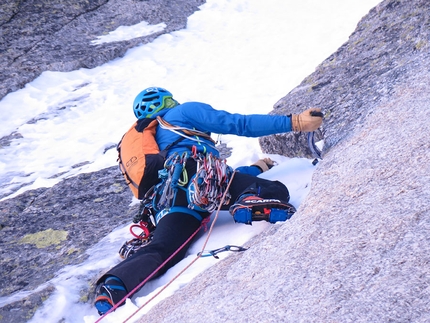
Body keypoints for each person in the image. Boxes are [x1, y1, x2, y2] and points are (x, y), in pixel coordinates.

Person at [94, 87, 323, 315]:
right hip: (200, 178)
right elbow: (239, 124)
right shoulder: (184, 112)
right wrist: (295, 122)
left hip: (167, 199)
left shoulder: (151, 142)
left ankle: (115, 284)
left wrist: (255, 168)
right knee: (274, 189)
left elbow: (226, 178)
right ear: (168, 100)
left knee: (164, 248)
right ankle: (250, 201)